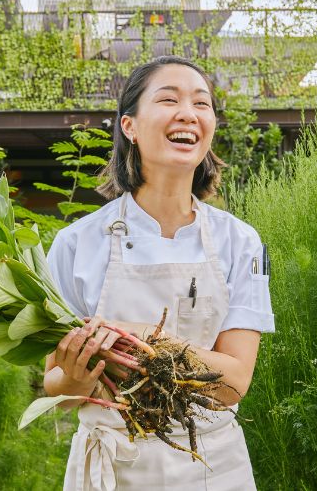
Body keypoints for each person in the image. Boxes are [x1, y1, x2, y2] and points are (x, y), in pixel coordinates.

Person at [44, 55, 275, 491]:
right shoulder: (76, 244)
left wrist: (141, 336)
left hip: (212, 468)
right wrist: (75, 378)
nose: (188, 113)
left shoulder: (241, 243)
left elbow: (233, 383)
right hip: (112, 467)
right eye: (169, 99)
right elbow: (56, 386)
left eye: (201, 103)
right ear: (129, 126)